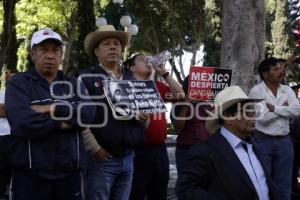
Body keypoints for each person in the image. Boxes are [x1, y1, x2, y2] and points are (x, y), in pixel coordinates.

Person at [5, 28, 95, 200]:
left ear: (61, 55)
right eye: (43, 50)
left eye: (55, 50)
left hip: (69, 178)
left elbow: (88, 114)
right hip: (29, 179)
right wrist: (66, 121)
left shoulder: (74, 84)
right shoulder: (19, 83)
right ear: (32, 54)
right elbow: (22, 124)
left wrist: (51, 109)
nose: (50, 55)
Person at [80, 25, 148, 200]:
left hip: (129, 158)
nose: (112, 47)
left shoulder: (132, 78)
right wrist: (95, 149)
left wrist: (144, 120)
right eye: (106, 43)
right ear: (96, 51)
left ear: (122, 49)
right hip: (101, 160)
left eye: (116, 43)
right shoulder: (86, 78)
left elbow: (144, 116)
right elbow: (80, 119)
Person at [176, 85, 279, 200]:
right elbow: (185, 189)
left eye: (254, 112)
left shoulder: (255, 146)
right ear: (228, 117)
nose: (254, 117)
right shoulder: (205, 151)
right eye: (248, 112)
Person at [123, 53, 184, 200]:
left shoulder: (157, 86)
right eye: (141, 59)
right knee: (135, 193)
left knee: (159, 193)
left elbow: (181, 95)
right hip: (137, 152)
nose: (147, 61)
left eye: (148, 59)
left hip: (160, 150)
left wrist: (164, 72)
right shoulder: (126, 87)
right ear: (132, 67)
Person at [249, 57, 300, 200]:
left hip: (285, 142)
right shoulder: (256, 91)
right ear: (265, 74)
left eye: (281, 68)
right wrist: (284, 109)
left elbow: (296, 111)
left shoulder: (287, 89)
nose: (281, 71)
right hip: (263, 142)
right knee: (263, 183)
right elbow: (262, 118)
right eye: (276, 69)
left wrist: (275, 108)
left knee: (284, 186)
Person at [171, 76, 211, 177]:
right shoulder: (179, 102)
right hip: (186, 151)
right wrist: (186, 104)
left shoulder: (207, 104)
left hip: (205, 151)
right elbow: (177, 128)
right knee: (186, 183)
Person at [0, 70, 17, 200]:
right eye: (10, 77)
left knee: (14, 167)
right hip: (2, 135)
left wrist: (7, 109)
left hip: (17, 136)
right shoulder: (1, 94)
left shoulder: (22, 97)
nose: (12, 80)